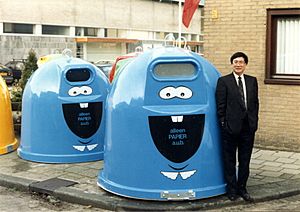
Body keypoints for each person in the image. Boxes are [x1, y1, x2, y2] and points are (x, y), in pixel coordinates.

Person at [215, 52, 259, 202]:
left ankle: (242, 189)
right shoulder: (224, 81)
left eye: (241, 62)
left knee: (245, 161)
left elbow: (255, 104)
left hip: (248, 128)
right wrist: (223, 124)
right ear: (232, 64)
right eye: (235, 62)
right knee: (230, 160)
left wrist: (255, 122)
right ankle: (231, 190)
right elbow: (220, 106)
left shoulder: (252, 81)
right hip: (230, 128)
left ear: (245, 64)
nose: (238, 64)